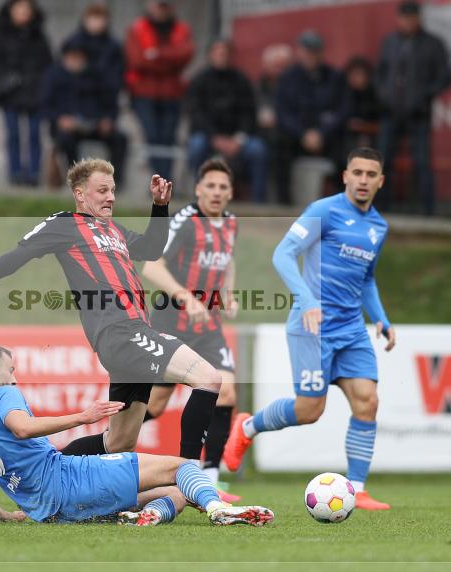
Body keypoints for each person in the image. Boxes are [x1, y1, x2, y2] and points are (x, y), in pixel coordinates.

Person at [0, 159, 224, 466]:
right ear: (80, 194)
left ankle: (52, 472)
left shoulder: (113, 230)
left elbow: (151, 250)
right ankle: (191, 478)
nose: (111, 197)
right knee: (208, 377)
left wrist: (160, 207)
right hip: (122, 332)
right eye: (102, 190)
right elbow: (14, 258)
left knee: (118, 441)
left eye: (113, 190)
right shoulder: (64, 224)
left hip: (130, 337)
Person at [223, 147, 396, 511]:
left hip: (351, 329)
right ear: (345, 176)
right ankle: (247, 427)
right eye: (357, 173)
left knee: (368, 401)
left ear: (381, 181)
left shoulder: (378, 226)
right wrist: (307, 300)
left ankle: (358, 488)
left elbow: (367, 279)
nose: (363, 180)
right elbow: (282, 254)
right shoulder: (324, 211)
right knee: (309, 411)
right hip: (311, 327)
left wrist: (381, 317)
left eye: (371, 175)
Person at [0, 343, 274, 526]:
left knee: (178, 493)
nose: (15, 378)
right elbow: (22, 427)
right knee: (182, 467)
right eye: (11, 370)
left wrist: (13, 518)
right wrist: (83, 417)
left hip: (55, 514)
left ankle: (147, 513)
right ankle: (220, 511)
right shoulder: (2, 395)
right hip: (70, 479)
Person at [141, 158, 240, 498]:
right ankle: (103, 448)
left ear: (230, 193)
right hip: (172, 322)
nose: (216, 192)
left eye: (222, 187)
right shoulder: (184, 221)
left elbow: (227, 261)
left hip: (208, 326)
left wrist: (227, 294)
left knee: (226, 391)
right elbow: (152, 267)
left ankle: (210, 476)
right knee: (153, 405)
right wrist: (188, 298)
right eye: (210, 186)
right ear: (198, 189)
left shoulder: (230, 223)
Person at [375, 0, 451, 215]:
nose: (408, 22)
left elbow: (445, 77)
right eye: (404, 17)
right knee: (382, 161)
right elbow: (380, 73)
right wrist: (383, 94)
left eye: (412, 17)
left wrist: (424, 95)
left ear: (419, 18)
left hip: (418, 113)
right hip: (391, 111)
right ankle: (380, 210)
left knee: (421, 163)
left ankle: (427, 211)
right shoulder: (390, 43)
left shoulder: (432, 44)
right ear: (398, 19)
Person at [273, 30, 349, 205]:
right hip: (296, 137)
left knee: (347, 155)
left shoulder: (334, 77)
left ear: (321, 53)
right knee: (278, 149)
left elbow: (343, 111)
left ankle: (342, 208)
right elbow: (283, 113)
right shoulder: (288, 78)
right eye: (306, 50)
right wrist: (303, 134)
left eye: (314, 51)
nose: (310, 55)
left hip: (327, 138)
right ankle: (284, 206)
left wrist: (321, 133)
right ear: (299, 52)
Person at [185, 40, 266, 203]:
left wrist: (238, 139)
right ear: (210, 55)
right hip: (208, 137)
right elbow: (196, 114)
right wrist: (214, 138)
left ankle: (258, 203)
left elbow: (249, 113)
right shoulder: (199, 80)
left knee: (258, 150)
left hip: (237, 139)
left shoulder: (242, 80)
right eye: (218, 52)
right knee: (196, 146)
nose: (222, 56)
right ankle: (199, 197)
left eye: (226, 52)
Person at [41, 40, 127, 184]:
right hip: (68, 128)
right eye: (71, 57)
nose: (75, 61)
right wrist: (59, 119)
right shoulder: (54, 76)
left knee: (120, 139)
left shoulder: (98, 76)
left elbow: (111, 103)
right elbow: (45, 106)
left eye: (78, 57)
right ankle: (76, 179)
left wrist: (108, 120)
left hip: (95, 124)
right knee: (66, 141)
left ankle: (114, 181)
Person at [125, 0, 193, 180]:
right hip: (144, 95)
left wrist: (157, 55)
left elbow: (185, 55)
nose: (162, 10)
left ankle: (165, 183)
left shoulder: (182, 29)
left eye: (165, 6)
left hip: (173, 95)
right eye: (158, 5)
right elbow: (137, 60)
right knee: (152, 138)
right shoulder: (137, 28)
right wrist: (170, 60)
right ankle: (160, 182)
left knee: (168, 139)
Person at [0, 0, 52, 186]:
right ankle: (14, 172)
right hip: (10, 93)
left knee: (34, 133)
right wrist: (6, 79)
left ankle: (34, 172)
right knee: (13, 133)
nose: (22, 13)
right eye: (19, 9)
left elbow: (47, 65)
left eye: (26, 9)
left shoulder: (39, 36)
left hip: (34, 93)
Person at [62, 3, 123, 100]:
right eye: (93, 19)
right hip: (77, 98)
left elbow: (117, 72)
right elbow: (64, 71)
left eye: (99, 19)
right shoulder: (73, 43)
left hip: (104, 98)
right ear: (85, 20)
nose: (96, 23)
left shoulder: (113, 45)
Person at [343, 57, 382, 153]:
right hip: (347, 136)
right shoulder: (343, 93)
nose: (355, 78)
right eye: (352, 75)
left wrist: (362, 127)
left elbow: (381, 124)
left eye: (359, 74)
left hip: (371, 136)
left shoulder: (375, 95)